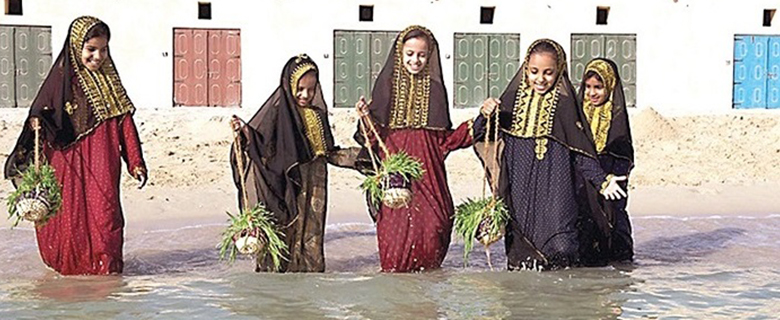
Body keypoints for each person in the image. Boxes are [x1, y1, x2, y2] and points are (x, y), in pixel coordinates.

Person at [4, 16, 147, 275]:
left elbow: (125, 124)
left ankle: (106, 276)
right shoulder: (59, 83)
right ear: (75, 47)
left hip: (103, 167)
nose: (98, 56)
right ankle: (70, 275)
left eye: (103, 49)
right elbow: (41, 116)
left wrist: (135, 162)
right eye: (91, 49)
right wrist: (38, 122)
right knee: (68, 222)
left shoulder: (111, 84)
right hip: (66, 168)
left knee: (106, 218)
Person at [475, 39, 626, 270]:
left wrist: (602, 180)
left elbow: (580, 152)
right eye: (534, 71)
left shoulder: (566, 106)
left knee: (563, 248)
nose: (540, 78)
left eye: (548, 72)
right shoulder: (511, 102)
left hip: (558, 192)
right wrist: (485, 115)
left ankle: (565, 303)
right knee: (522, 259)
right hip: (520, 192)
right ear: (526, 69)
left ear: (559, 71)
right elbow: (482, 135)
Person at [354, 25, 474, 272]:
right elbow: (374, 139)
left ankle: (426, 305)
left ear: (429, 56)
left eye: (421, 54)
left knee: (435, 227)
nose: (415, 60)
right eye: (410, 54)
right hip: (396, 179)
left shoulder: (436, 90)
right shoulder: (386, 89)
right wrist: (366, 117)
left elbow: (445, 140)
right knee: (394, 243)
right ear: (400, 54)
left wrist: (478, 122)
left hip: (430, 177)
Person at [230, 54, 357, 272]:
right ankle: (277, 291)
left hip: (315, 186)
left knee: (311, 235)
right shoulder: (277, 115)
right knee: (284, 234)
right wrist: (243, 134)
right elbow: (260, 146)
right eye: (300, 89)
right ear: (289, 86)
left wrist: (363, 158)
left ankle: (307, 288)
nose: (305, 95)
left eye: (311, 89)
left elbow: (328, 152)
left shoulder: (318, 115)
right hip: (287, 187)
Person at [576, 58, 635, 265]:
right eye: (588, 87)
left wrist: (607, 177)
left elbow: (623, 154)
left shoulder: (617, 117)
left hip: (611, 181)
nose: (592, 93)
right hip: (582, 182)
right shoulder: (576, 114)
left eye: (599, 88)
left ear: (609, 87)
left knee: (613, 220)